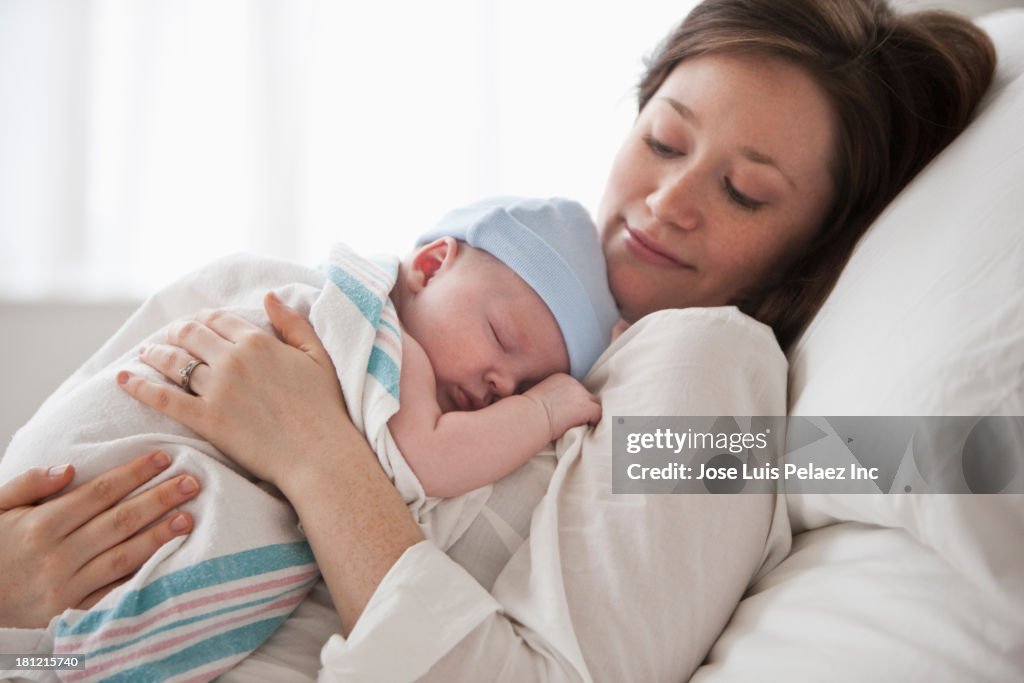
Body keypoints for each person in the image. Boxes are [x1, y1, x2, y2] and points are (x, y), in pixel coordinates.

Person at [0, 0, 995, 680]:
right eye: (663, 137)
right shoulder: (516, 313)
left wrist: (313, 447)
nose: (665, 201)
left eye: (742, 191)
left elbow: (916, 458)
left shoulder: (702, 368)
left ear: (806, 252)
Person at [0, 196, 617, 679]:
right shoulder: (379, 336)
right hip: (128, 462)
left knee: (47, 655)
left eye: (524, 383)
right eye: (501, 338)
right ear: (430, 265)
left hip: (51, 524)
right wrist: (540, 408)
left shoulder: (686, 433)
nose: (500, 385)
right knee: (78, 654)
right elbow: (426, 460)